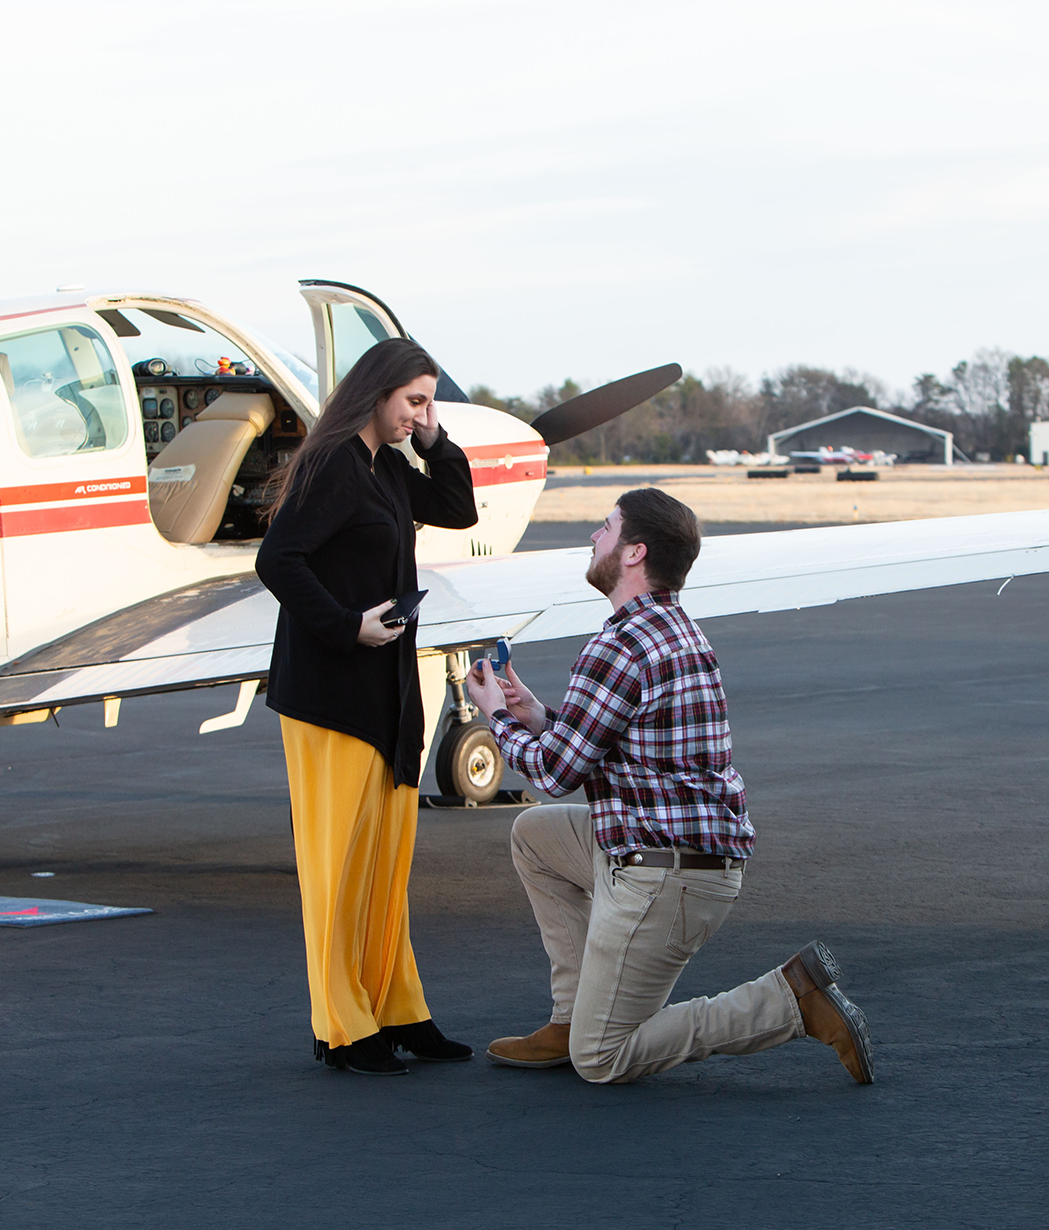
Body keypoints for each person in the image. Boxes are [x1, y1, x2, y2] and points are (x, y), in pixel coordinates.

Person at [463, 488, 874, 1085]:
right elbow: (611, 746)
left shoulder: (621, 644)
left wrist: (494, 716)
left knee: (601, 1059)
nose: (593, 538)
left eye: (605, 529)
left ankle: (791, 1002)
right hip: (681, 855)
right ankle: (572, 1013)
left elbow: (554, 774)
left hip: (666, 875)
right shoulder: (675, 629)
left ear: (634, 552)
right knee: (534, 836)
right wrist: (535, 717)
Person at [255, 338, 479, 1076]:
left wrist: (433, 437)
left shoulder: (383, 466)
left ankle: (396, 1009)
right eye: (414, 400)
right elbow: (276, 559)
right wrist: (345, 624)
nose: (422, 414)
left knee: (385, 860)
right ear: (375, 394)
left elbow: (457, 507)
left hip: (383, 689)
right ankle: (342, 1025)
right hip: (331, 693)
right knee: (338, 865)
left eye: (428, 402)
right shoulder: (331, 467)